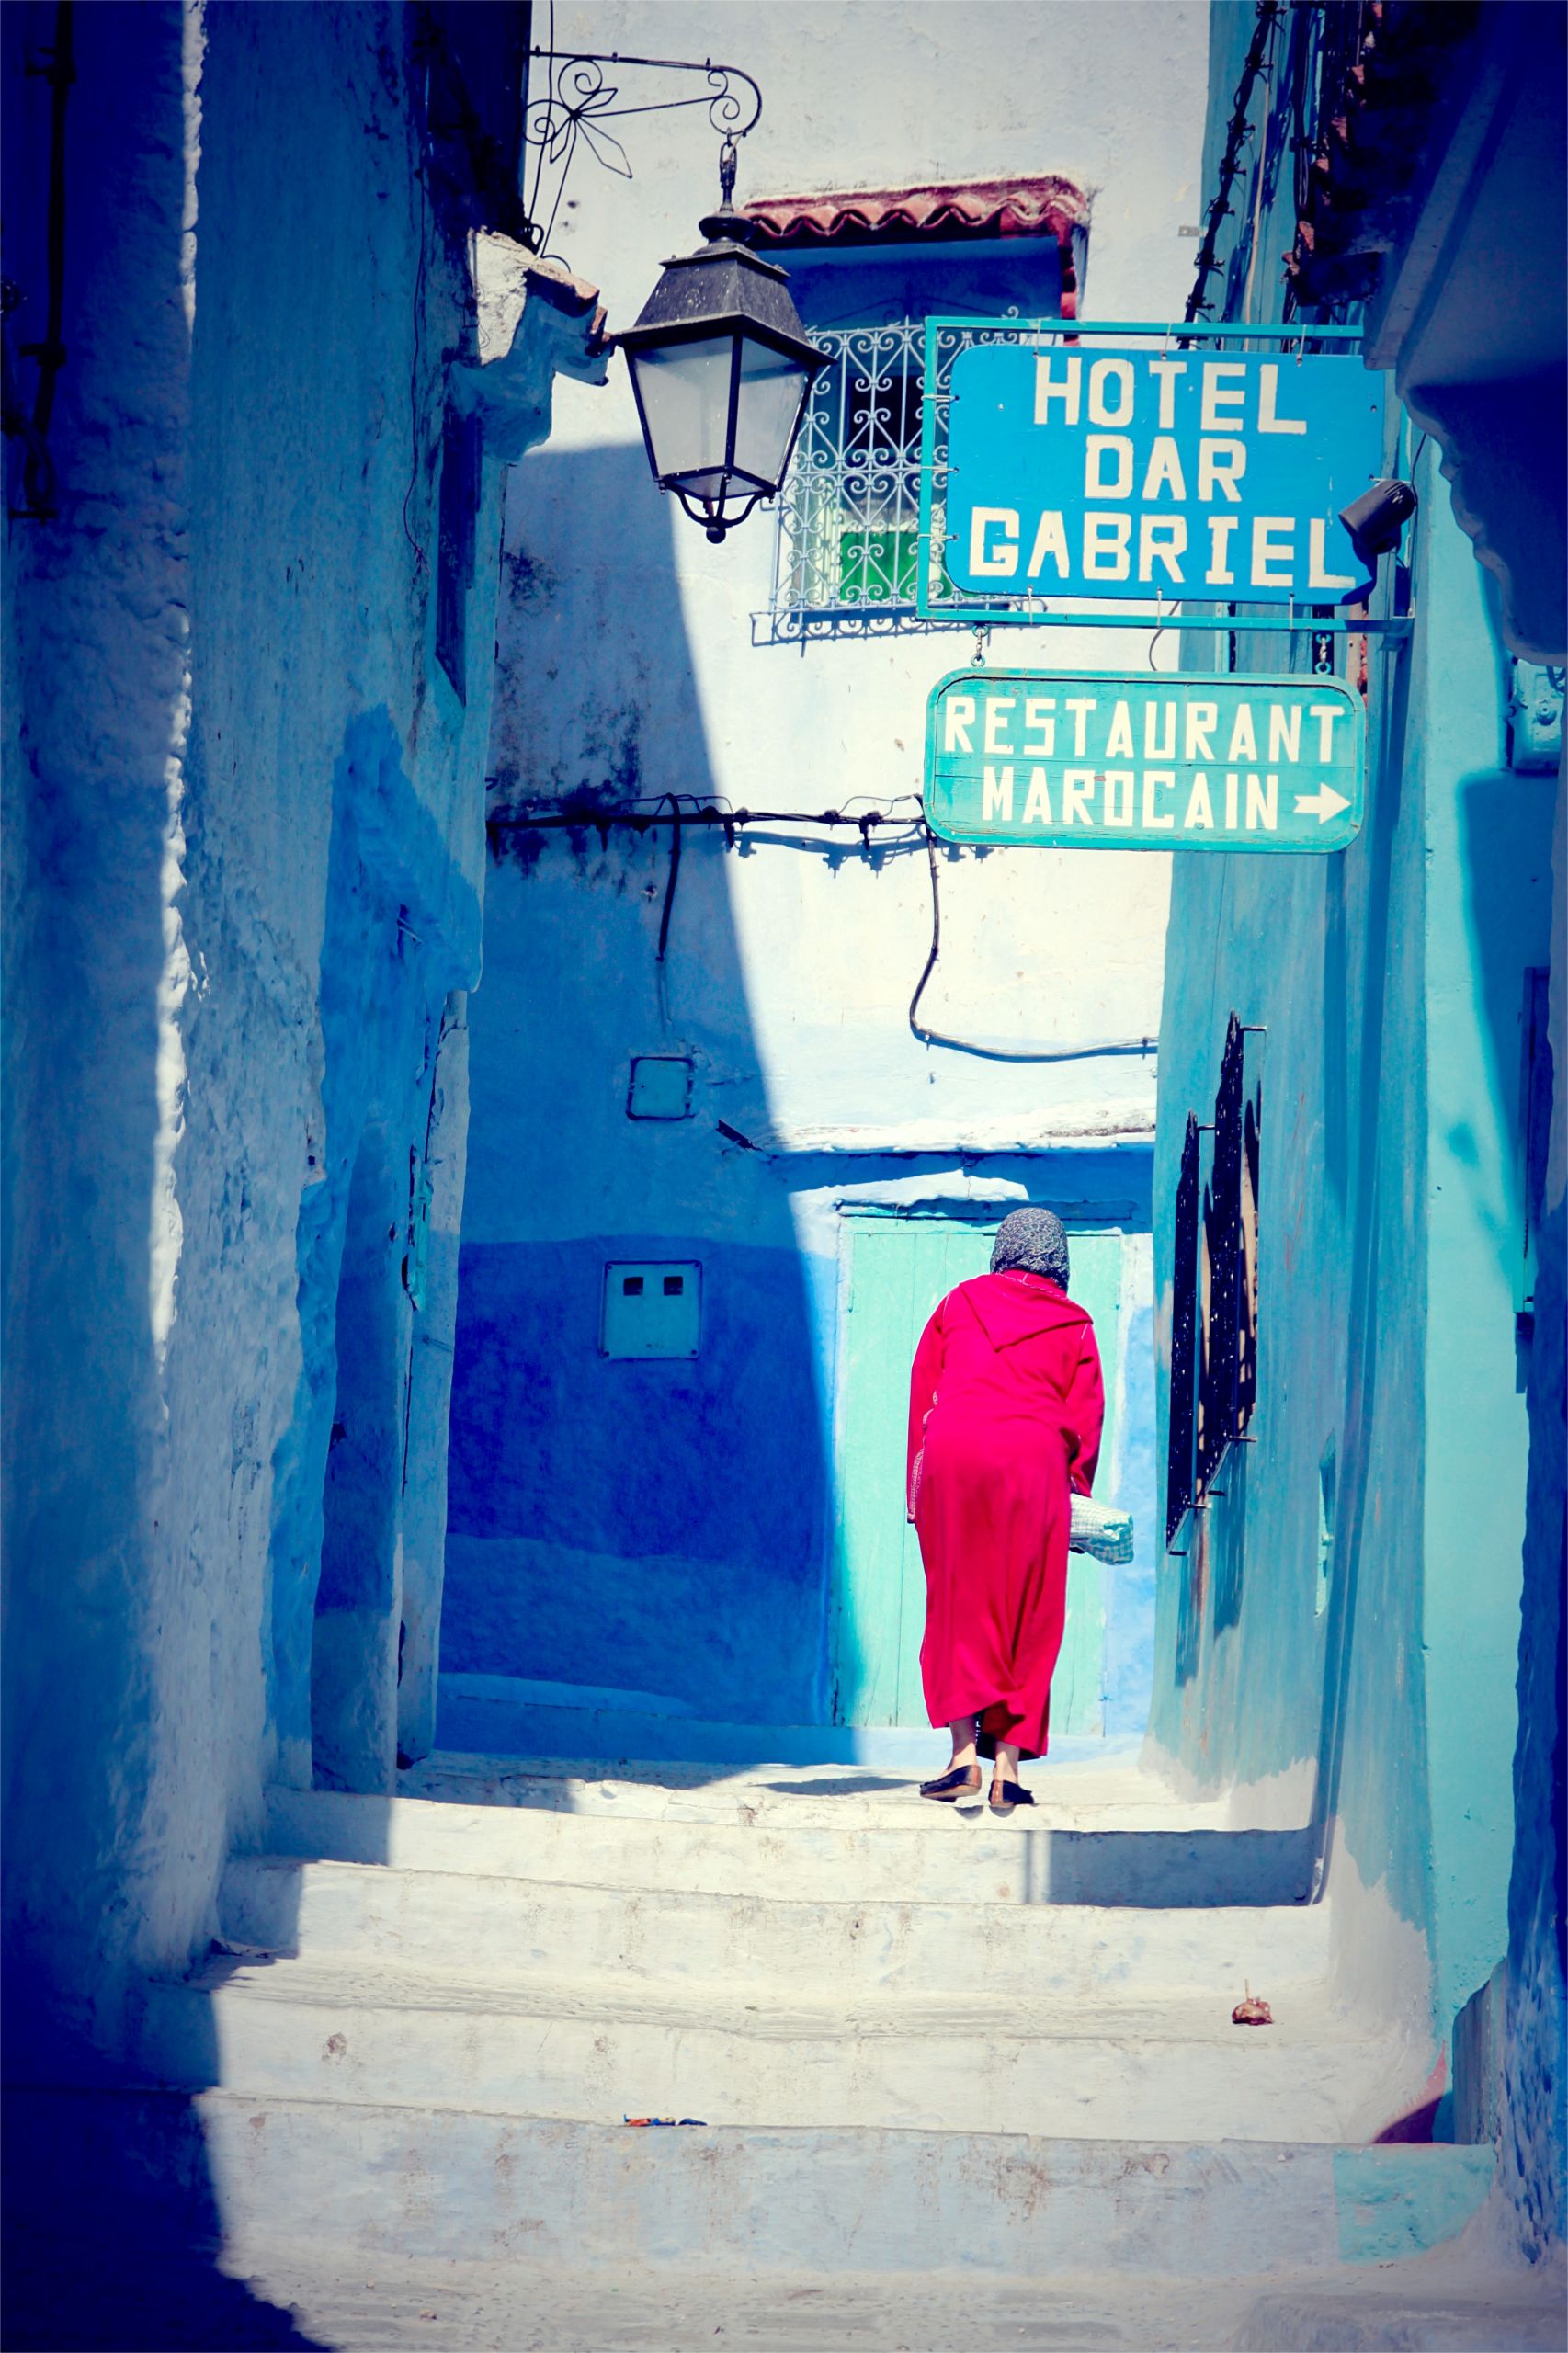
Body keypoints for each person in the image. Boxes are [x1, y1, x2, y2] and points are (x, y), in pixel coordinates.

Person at [906, 1208, 1105, 1815]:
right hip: (1033, 1462)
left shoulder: (959, 1303)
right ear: (1059, 1259)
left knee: (958, 1600)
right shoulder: (1075, 1325)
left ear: (1003, 1249)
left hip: (956, 1455)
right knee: (1031, 1609)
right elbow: (1085, 1419)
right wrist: (1075, 1490)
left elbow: (925, 1389)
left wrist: (917, 1487)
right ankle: (1007, 1772)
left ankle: (963, 1756)